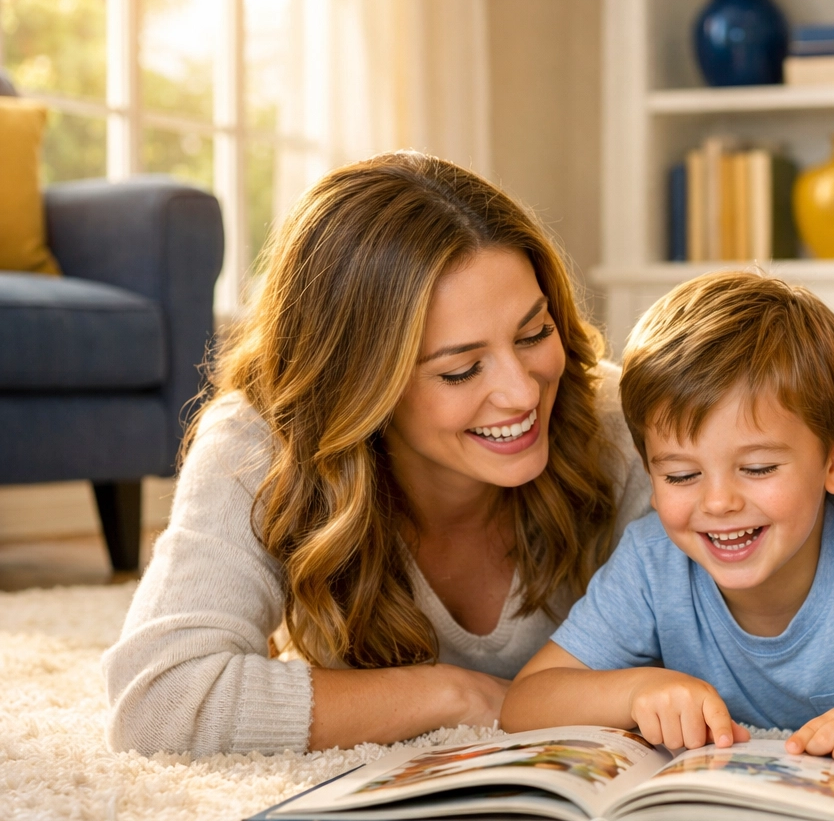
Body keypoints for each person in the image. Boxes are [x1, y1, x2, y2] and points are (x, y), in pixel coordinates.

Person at [102, 152, 652, 756]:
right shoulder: (260, 443)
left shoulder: (616, 421)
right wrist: (458, 696)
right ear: (361, 384)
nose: (523, 391)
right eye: (461, 370)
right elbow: (159, 702)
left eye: (533, 334)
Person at [500, 272, 834, 766]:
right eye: (681, 476)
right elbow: (526, 701)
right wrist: (636, 691)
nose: (718, 502)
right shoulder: (651, 559)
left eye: (756, 468)